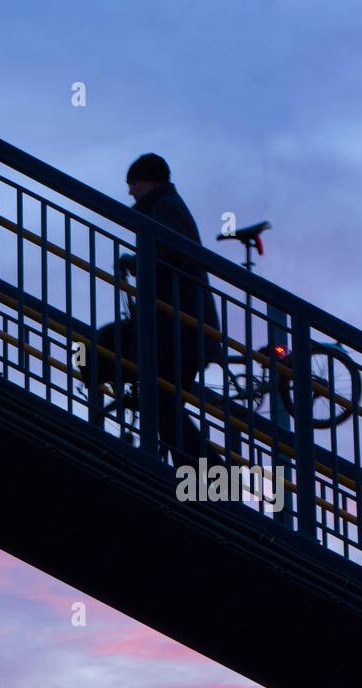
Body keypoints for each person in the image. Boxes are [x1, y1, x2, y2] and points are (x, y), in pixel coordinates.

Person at [89, 153, 224, 465]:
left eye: (133, 183)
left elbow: (168, 254)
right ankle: (202, 473)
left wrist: (135, 263)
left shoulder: (164, 210)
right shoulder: (164, 208)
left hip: (179, 329)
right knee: (162, 405)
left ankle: (209, 472)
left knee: (161, 404)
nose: (130, 191)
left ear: (150, 182)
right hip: (176, 327)